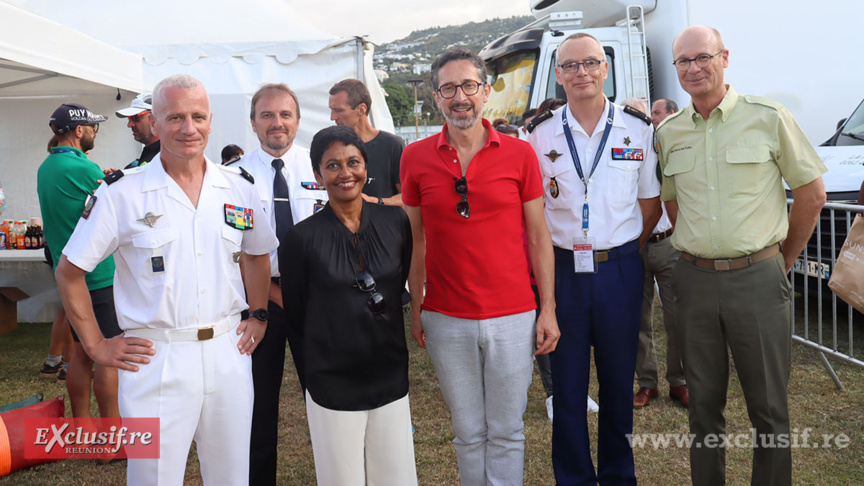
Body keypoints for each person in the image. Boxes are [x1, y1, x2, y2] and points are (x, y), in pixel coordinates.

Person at [55, 74, 278, 485]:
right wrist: (96, 344)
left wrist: (260, 313)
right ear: (155, 125)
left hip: (229, 353)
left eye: (197, 116)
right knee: (153, 478)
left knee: (232, 475)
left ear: (211, 121)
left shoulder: (237, 187)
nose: (188, 128)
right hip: (156, 358)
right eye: (175, 117)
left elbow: (257, 251)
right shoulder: (122, 194)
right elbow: (69, 272)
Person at [657, 26, 826, 485]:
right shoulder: (669, 133)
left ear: (724, 57)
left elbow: (811, 195)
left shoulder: (768, 117)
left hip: (758, 279)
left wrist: (780, 261)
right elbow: (673, 202)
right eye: (683, 61)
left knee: (769, 409)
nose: (693, 68)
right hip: (692, 281)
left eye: (702, 57)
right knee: (702, 408)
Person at [401, 47, 560, 486]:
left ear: (486, 91)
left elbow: (538, 236)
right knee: (468, 433)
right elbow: (416, 241)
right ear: (436, 97)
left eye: (468, 85)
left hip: (513, 315)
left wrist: (546, 308)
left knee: (508, 431)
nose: (460, 97)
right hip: (446, 317)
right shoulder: (414, 158)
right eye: (448, 88)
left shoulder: (519, 154)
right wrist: (417, 305)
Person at [527, 33, 661, 485]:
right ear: (559, 74)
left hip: (620, 269)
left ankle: (619, 476)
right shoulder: (537, 135)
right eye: (570, 65)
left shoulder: (638, 129)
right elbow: (534, 215)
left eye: (590, 63)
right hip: (562, 271)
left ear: (605, 67)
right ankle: (574, 478)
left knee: (619, 383)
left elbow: (649, 205)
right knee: (567, 388)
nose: (581, 72)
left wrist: (619, 250)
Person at [280, 125, 416, 485]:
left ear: (365, 166)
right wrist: (312, 379)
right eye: (333, 165)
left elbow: (398, 279)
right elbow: (296, 315)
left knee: (396, 475)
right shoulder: (301, 239)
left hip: (388, 370)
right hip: (332, 380)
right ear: (317, 174)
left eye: (353, 162)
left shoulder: (396, 222)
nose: (345, 173)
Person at [229, 82, 326, 486]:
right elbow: (231, 250)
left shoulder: (323, 168)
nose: (277, 123)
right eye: (267, 115)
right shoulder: (232, 177)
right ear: (253, 122)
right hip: (259, 304)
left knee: (327, 405)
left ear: (298, 121)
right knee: (257, 408)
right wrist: (268, 295)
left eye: (285, 114)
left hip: (317, 304)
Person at [37, 103, 122, 422]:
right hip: (97, 276)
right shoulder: (83, 168)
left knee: (82, 358)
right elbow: (119, 204)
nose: (96, 132)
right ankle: (112, 438)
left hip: (68, 272)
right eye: (93, 126)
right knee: (108, 357)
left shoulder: (47, 166)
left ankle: (83, 430)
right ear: (78, 131)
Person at [632, 97, 688, 409]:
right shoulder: (624, 154)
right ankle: (647, 383)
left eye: (651, 115)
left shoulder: (669, 147)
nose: (647, 121)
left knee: (677, 316)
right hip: (634, 246)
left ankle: (679, 382)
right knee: (639, 319)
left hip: (667, 242)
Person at [329, 78, 405, 206]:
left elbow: (409, 197)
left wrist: (376, 202)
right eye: (331, 110)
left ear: (361, 109)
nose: (332, 117)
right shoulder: (333, 148)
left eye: (339, 110)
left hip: (384, 224)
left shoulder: (392, 145)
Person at [115, 93, 160, 169]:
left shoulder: (169, 155)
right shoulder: (151, 151)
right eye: (129, 118)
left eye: (136, 118)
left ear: (154, 118)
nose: (129, 124)